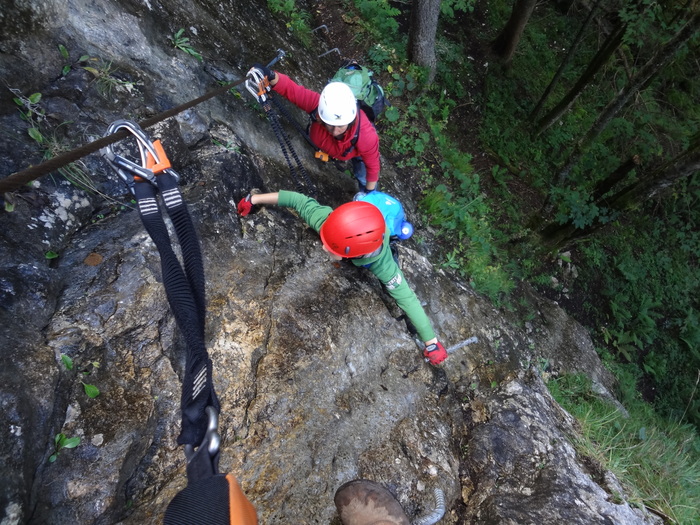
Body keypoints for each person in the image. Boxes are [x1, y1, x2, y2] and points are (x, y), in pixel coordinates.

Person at [237, 190, 448, 365]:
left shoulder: (382, 264)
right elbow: (298, 201)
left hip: (389, 216)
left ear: (354, 254)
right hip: (366, 214)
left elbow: (406, 298)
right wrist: (253, 199)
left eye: (331, 247)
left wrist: (432, 342)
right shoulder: (330, 224)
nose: (322, 245)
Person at [251, 64, 381, 193]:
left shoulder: (365, 135)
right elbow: (293, 91)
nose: (335, 132)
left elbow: (373, 167)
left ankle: (354, 174)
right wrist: (271, 75)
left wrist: (369, 194)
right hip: (333, 148)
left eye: (340, 126)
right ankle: (339, 158)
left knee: (362, 174)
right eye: (329, 124)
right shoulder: (318, 106)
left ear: (351, 121)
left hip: (353, 150)